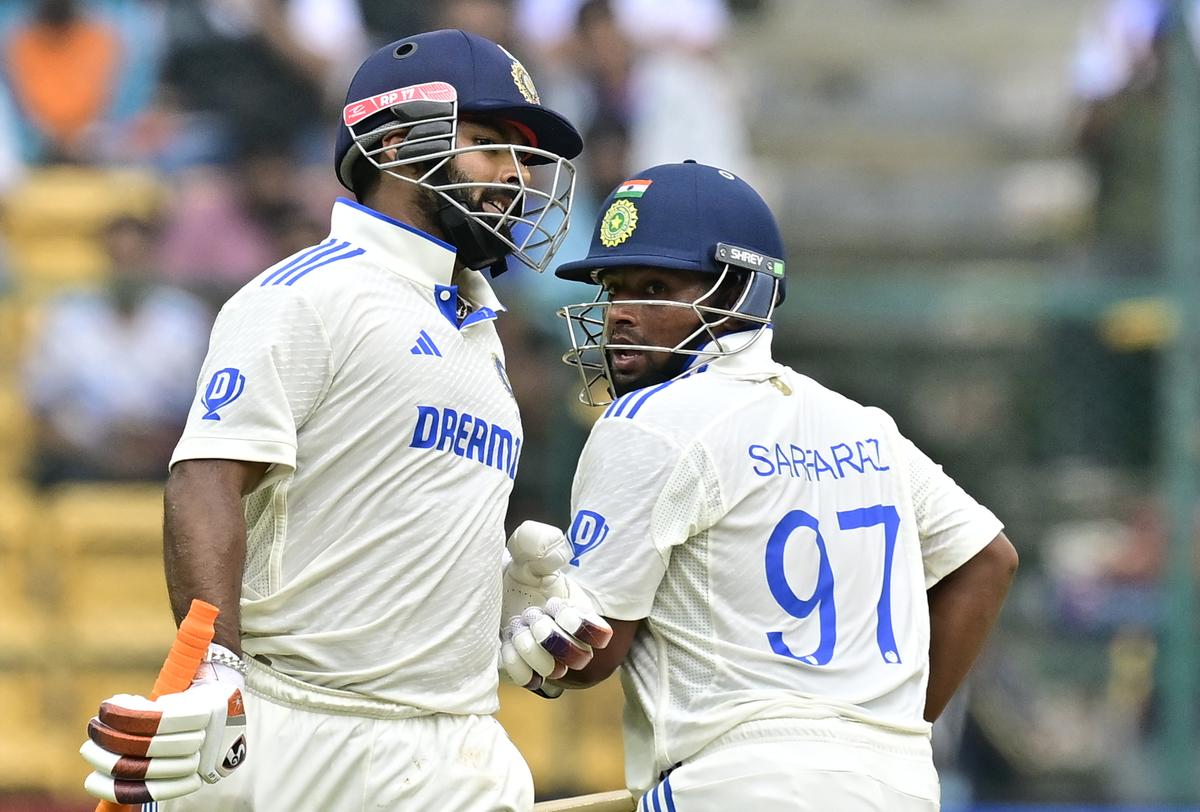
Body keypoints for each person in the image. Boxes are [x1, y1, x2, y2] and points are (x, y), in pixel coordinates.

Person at [79, 29, 590, 811]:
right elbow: (206, 478)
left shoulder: (483, 330)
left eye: (524, 158)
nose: (518, 178)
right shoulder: (306, 295)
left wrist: (506, 607)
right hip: (304, 729)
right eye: (490, 146)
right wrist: (212, 663)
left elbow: (400, 520)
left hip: (460, 738)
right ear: (393, 143)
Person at [509, 161, 1019, 810]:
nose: (621, 316)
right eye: (615, 288)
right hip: (897, 785)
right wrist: (891, 732)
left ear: (738, 293)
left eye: (656, 286)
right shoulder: (864, 425)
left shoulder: (649, 420)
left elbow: (592, 656)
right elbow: (989, 560)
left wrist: (523, 612)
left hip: (736, 781)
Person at [21, 214, 211, 488]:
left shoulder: (186, 318)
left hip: (165, 456)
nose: (126, 268)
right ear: (104, 258)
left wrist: (157, 446)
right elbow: (41, 411)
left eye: (136, 257)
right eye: (118, 257)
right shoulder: (66, 316)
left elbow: (205, 409)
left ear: (153, 258)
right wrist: (101, 451)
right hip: (84, 457)